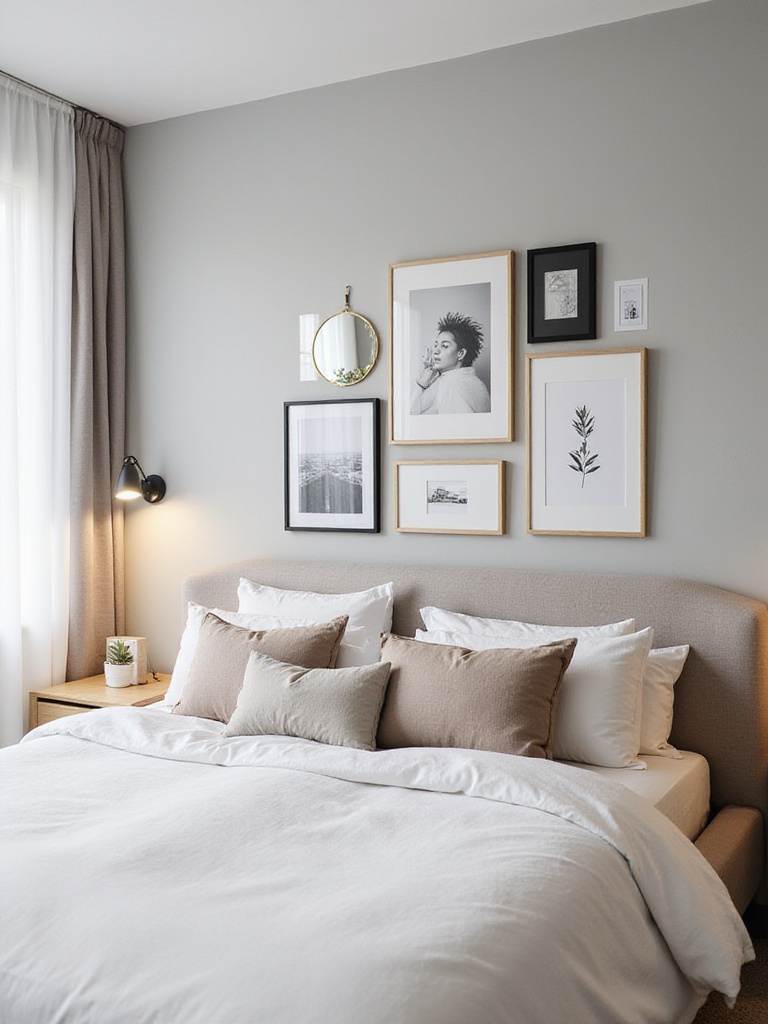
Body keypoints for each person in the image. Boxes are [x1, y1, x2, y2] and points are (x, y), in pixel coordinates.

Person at [411, 312, 491, 414]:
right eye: (436, 345)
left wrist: (421, 384)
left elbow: (410, 417)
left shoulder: (451, 384)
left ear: (461, 354)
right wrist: (424, 382)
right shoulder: (472, 382)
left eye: (444, 346)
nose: (435, 351)